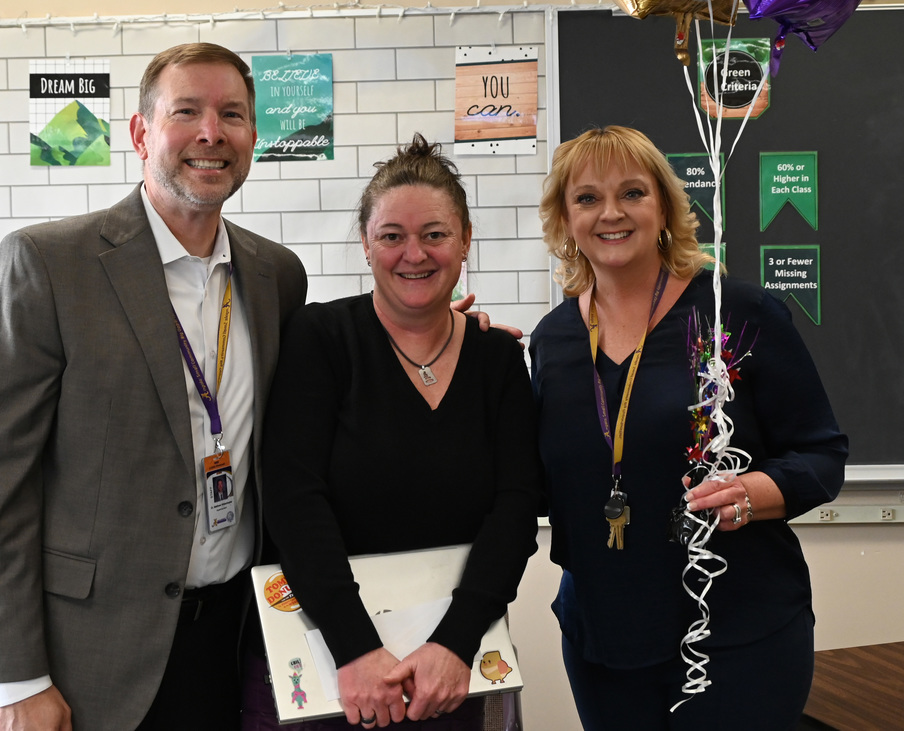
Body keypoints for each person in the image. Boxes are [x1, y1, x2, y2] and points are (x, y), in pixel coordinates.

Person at [0, 43, 309, 730]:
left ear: (253, 136)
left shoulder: (276, 275)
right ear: (140, 133)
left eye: (232, 114)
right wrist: (16, 680)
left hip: (228, 644)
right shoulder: (46, 265)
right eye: (186, 111)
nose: (211, 133)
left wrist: (436, 333)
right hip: (79, 665)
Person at [530, 125, 849, 730]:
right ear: (564, 218)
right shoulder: (551, 340)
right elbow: (542, 481)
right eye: (588, 198)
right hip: (605, 637)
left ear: (666, 207)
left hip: (737, 629)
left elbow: (823, 454)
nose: (611, 213)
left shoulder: (739, 314)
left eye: (632, 193)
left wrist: (756, 494)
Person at [248, 134, 543, 730]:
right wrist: (355, 648)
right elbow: (293, 499)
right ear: (366, 244)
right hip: (338, 665)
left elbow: (516, 510)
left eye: (435, 234)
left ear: (464, 243)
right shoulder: (321, 338)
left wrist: (455, 645)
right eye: (392, 236)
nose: (415, 254)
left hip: (451, 672)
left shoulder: (498, 359)